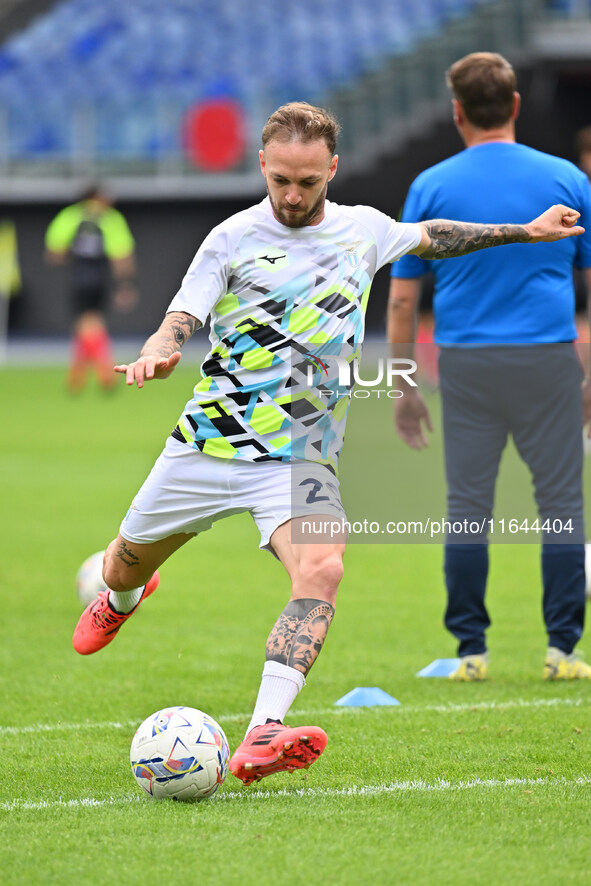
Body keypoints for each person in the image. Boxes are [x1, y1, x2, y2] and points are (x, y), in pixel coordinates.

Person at [72, 101, 583, 784]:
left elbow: (435, 234)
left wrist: (524, 230)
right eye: (280, 179)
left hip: (299, 457)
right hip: (205, 446)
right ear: (262, 164)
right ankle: (126, 597)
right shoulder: (230, 237)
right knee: (121, 566)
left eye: (307, 182)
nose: (291, 194)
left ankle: (263, 731)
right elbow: (181, 315)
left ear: (331, 169)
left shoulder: (363, 231)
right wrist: (161, 350)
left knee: (323, 569)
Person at [389, 53, 591, 682]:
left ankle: (471, 653)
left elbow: (401, 297)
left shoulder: (430, 185)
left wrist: (402, 384)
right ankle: (563, 652)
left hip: (469, 367)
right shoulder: (566, 179)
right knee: (561, 503)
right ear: (516, 106)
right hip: (548, 359)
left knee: (467, 506)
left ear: (456, 113)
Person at [45, 184, 138, 392]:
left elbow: (54, 252)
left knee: (86, 323)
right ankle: (95, 373)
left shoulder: (70, 216)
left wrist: (71, 253)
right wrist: (125, 285)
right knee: (91, 323)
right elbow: (122, 255)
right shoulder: (110, 218)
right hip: (100, 278)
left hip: (79, 277)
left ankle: (90, 373)